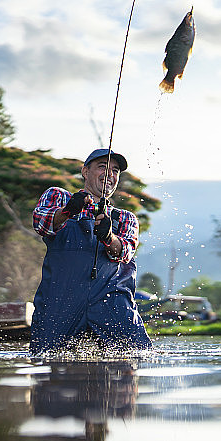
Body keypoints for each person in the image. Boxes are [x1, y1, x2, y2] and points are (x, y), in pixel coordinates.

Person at [30, 148, 152, 354]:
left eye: (115, 170)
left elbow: (126, 252)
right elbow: (41, 223)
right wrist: (68, 211)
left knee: (137, 356)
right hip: (60, 302)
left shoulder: (126, 218)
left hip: (111, 302)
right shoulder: (58, 196)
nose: (109, 174)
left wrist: (109, 237)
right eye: (102, 167)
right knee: (46, 359)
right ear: (85, 172)